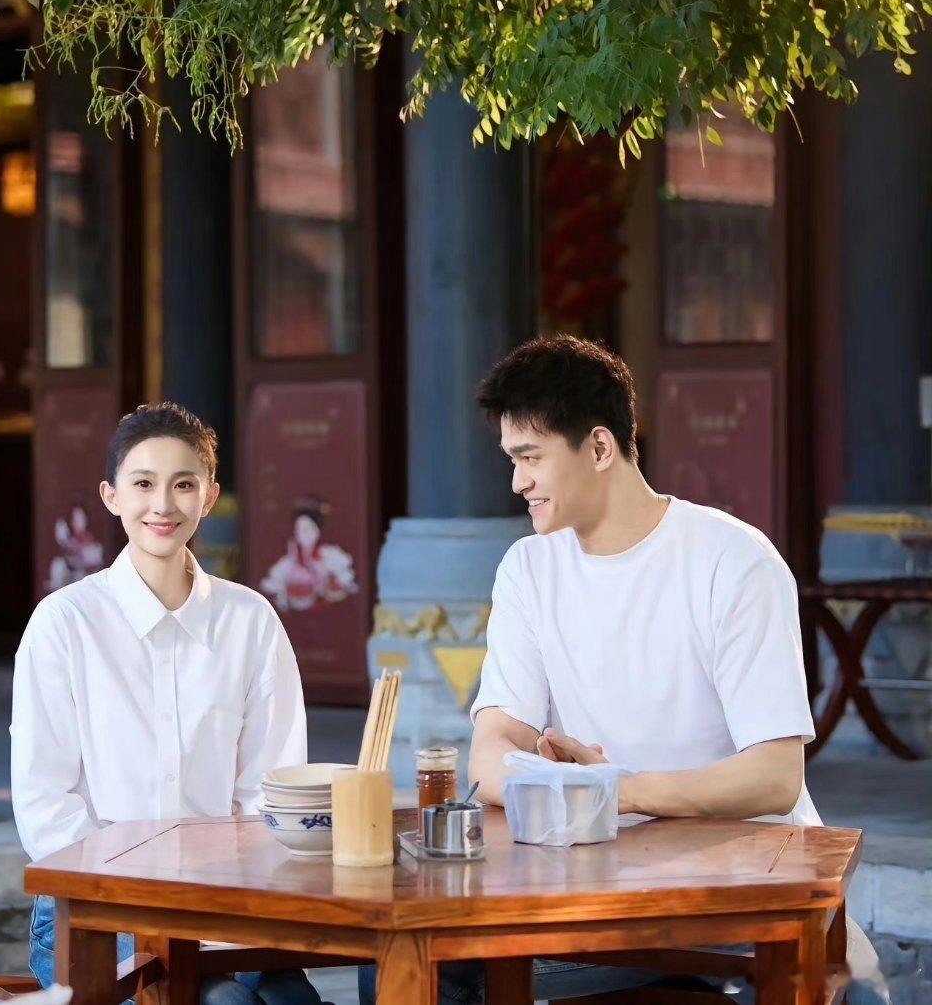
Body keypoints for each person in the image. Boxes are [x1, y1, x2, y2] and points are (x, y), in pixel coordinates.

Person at [362, 336, 886, 1005]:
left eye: (531, 457)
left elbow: (774, 776)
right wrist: (574, 786)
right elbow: (490, 758)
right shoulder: (529, 568)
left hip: (743, 892)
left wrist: (614, 789)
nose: (517, 481)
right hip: (597, 889)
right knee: (401, 960)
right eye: (512, 459)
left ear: (601, 447)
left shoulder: (732, 561)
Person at [12, 402, 325, 1005]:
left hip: (226, 900)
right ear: (111, 496)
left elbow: (271, 789)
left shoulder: (250, 620)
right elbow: (44, 802)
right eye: (143, 484)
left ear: (209, 497)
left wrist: (221, 899)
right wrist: (150, 898)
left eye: (183, 485)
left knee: (293, 1002)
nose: (163, 505)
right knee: (226, 1002)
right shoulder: (65, 623)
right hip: (94, 908)